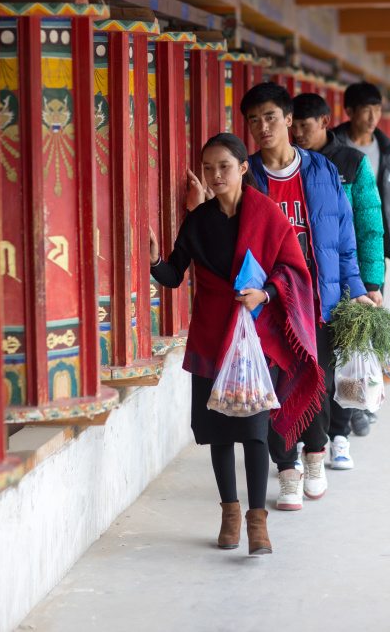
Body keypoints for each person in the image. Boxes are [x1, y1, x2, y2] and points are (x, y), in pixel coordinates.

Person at [151, 132, 324, 552]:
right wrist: (155, 260)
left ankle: (256, 522)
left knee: (253, 430)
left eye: (224, 166)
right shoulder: (198, 220)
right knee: (218, 430)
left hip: (252, 338)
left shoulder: (266, 214)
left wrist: (264, 294)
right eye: (208, 168)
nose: (215, 175)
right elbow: (176, 275)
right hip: (212, 334)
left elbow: (294, 270)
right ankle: (230, 513)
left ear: (244, 168)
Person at [239, 81, 374, 512]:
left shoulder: (321, 170)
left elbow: (344, 237)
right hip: (270, 302)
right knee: (278, 386)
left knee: (318, 380)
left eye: (271, 117)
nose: (263, 127)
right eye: (254, 120)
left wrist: (357, 290)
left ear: (288, 120)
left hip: (321, 298)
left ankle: (314, 455)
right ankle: (287, 470)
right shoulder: (249, 177)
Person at [292, 92, 385, 437]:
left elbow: (370, 224)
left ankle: (344, 427)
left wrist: (372, 282)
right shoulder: (289, 162)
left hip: (349, 278)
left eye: (305, 125)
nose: (298, 133)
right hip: (305, 279)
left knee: (346, 356)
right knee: (315, 361)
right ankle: (316, 433)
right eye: (294, 125)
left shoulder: (352, 162)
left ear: (324, 122)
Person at [333, 82, 390, 289]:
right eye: (367, 111)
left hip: (374, 248)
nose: (373, 118)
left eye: (377, 110)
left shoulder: (389, 152)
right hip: (337, 246)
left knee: (372, 311)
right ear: (350, 111)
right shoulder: (331, 147)